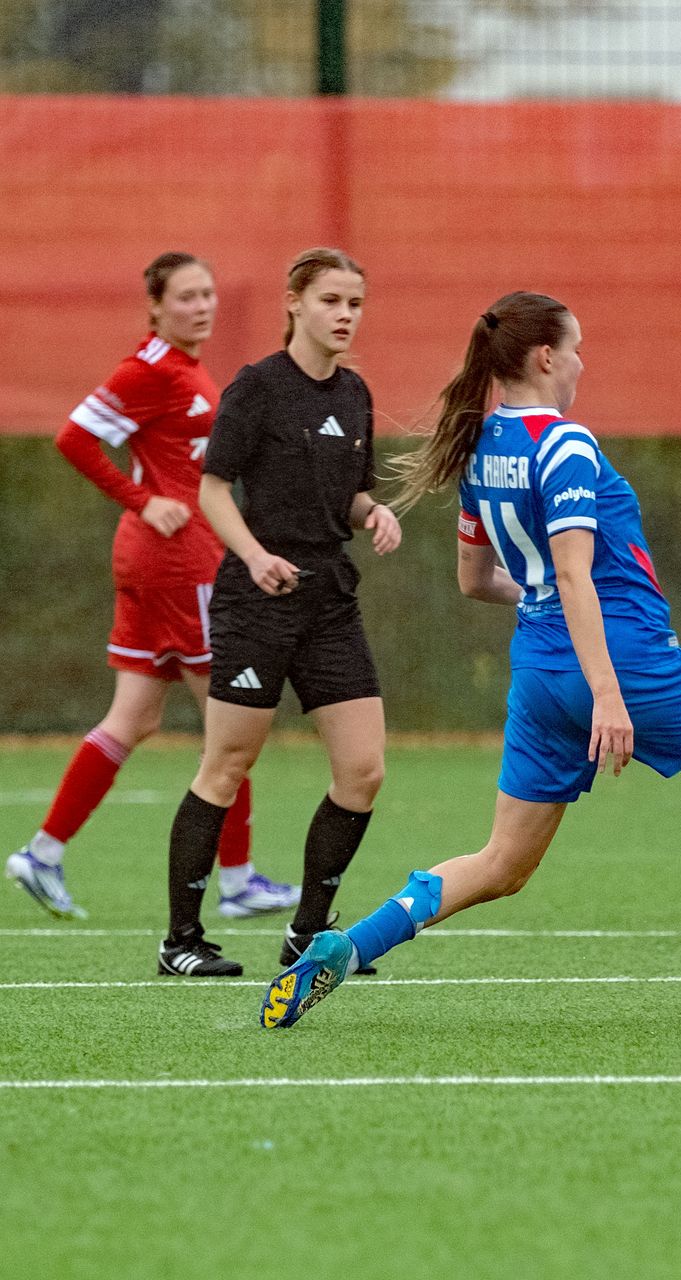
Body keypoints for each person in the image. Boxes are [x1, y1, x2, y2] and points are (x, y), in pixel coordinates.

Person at [260, 291, 681, 1030]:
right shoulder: (565, 444)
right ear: (545, 357)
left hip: (541, 671)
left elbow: (475, 580)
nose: (581, 363)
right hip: (627, 661)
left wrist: (549, 612)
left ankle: (349, 945)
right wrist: (607, 694)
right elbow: (577, 577)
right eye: (576, 348)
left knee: (502, 864)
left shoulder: (481, 446)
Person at [7, 253, 297, 923]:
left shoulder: (186, 368)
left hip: (157, 562)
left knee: (133, 718)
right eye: (187, 296)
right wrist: (143, 501)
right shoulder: (150, 369)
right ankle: (238, 880)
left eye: (208, 293)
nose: (202, 305)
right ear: (156, 307)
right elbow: (74, 438)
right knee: (232, 717)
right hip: (178, 565)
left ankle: (43, 853)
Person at [158, 247, 401, 978]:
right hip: (256, 601)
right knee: (227, 765)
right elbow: (212, 490)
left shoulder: (354, 393)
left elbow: (350, 496)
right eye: (331, 301)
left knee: (363, 770)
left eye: (355, 303)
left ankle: (307, 935)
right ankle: (180, 942)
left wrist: (375, 511)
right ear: (294, 302)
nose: (345, 315)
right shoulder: (257, 387)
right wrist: (256, 556)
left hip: (330, 600)